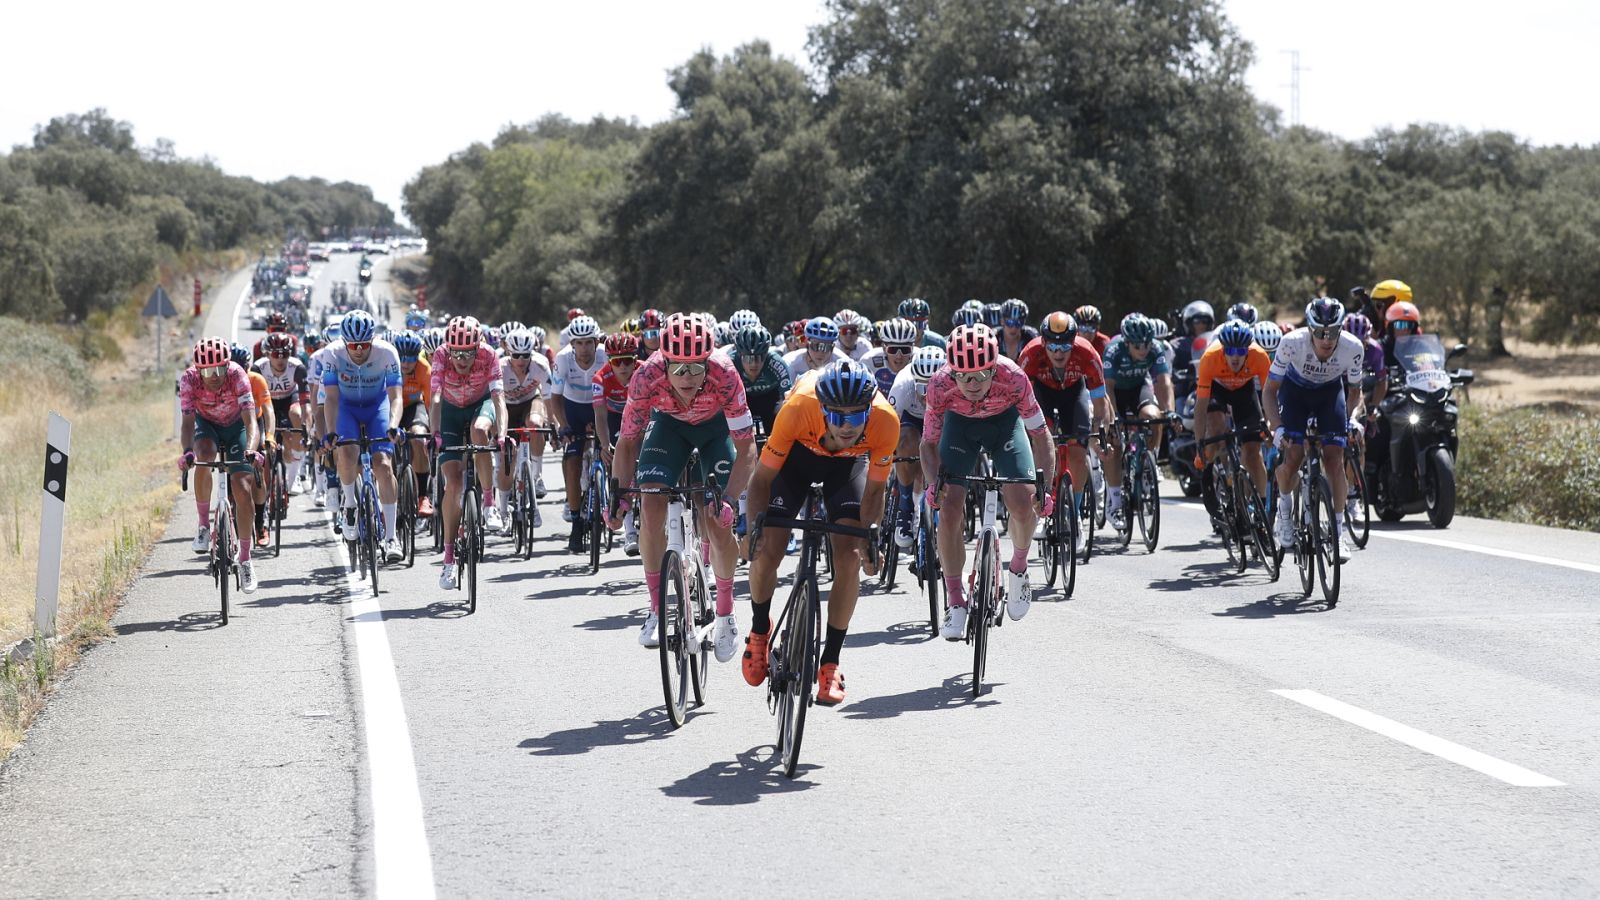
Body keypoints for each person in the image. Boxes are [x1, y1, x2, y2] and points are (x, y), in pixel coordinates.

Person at [743, 360, 897, 705]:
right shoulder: (799, 408)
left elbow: (874, 493)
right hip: (796, 459)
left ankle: (830, 662)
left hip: (847, 468)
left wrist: (870, 538)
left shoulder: (886, 421)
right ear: (823, 408)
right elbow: (762, 480)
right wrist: (755, 529)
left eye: (856, 417)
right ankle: (758, 631)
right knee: (768, 548)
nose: (846, 426)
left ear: (868, 412)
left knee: (849, 558)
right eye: (838, 416)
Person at [611, 314, 756, 662]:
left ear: (708, 361)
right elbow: (628, 442)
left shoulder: (724, 372)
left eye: (696, 368)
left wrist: (731, 501)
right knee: (650, 506)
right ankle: (656, 609)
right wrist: (619, 497)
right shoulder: (646, 375)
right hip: (669, 428)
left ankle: (725, 613)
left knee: (717, 521)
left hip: (714, 430)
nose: (688, 377)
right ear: (665, 363)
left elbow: (748, 446)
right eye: (679, 369)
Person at [921, 324, 1055, 640]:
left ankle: (1019, 568)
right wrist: (932, 485)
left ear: (994, 367)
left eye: (982, 375)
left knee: (1024, 504)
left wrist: (1045, 487)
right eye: (963, 376)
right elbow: (927, 444)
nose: (972, 384)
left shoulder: (1014, 378)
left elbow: (1040, 436)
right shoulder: (940, 384)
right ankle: (955, 599)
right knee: (950, 511)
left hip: (1005, 426)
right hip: (960, 429)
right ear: (951, 371)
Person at [1262, 299, 1365, 562]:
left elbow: (1354, 392)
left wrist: (1352, 419)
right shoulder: (1291, 343)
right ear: (1310, 328)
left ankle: (1337, 533)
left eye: (1333, 332)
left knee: (1334, 460)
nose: (1327, 339)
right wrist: (1277, 428)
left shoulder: (1353, 347)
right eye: (1320, 332)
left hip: (1329, 395)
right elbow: (1270, 390)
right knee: (1293, 456)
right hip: (1294, 394)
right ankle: (1284, 511)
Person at [429, 316, 509, 589]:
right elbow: (436, 397)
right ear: (448, 348)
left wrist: (501, 434)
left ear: (479, 347)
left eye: (468, 353)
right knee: (452, 482)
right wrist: (435, 434)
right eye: (457, 353)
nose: (462, 359)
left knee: (479, 432)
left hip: (480, 404)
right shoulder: (440, 355)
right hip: (450, 410)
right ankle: (448, 558)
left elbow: (499, 399)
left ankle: (489, 505)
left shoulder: (489, 355)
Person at [1019, 312, 1108, 553]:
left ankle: (1074, 513)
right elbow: (1018, 399)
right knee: (1042, 442)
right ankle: (1044, 503)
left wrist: (1102, 431)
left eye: (1065, 345)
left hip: (1074, 393)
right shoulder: (1030, 354)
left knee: (1079, 453)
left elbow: (1100, 404)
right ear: (1044, 343)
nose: (1059, 352)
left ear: (1074, 341)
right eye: (1053, 346)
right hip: (1042, 394)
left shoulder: (1088, 354)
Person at [320, 310, 405, 563]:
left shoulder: (387, 352)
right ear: (344, 341)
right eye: (353, 345)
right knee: (345, 452)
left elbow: (396, 396)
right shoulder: (332, 353)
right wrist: (331, 431)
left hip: (376, 407)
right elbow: (332, 398)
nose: (358, 350)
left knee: (383, 464)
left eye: (364, 344)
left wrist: (393, 425)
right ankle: (349, 504)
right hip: (347, 408)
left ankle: (391, 536)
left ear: (373, 340)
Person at [179, 338, 262, 593]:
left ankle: (246, 559)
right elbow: (187, 424)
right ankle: (204, 525)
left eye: (218, 370)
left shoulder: (237, 375)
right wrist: (186, 452)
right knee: (203, 454)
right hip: (207, 427)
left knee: (243, 487)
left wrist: (251, 449)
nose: (213, 376)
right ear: (198, 370)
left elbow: (251, 423)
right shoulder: (189, 380)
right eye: (207, 371)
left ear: (227, 365)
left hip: (236, 426)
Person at [1100, 313, 1175, 526]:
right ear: (1127, 342)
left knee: (1155, 417)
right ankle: (1114, 503)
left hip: (1139, 388)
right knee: (1114, 442)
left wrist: (1170, 411)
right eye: (1137, 345)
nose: (1143, 349)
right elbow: (1108, 389)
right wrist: (1113, 419)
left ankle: (1149, 463)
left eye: (1146, 344)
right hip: (1115, 394)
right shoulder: (1113, 350)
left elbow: (1164, 382)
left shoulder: (1156, 348)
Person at [1192, 320, 1272, 519]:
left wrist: (1271, 425)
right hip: (1216, 391)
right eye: (1230, 351)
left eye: (1241, 351)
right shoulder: (1210, 358)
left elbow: (1269, 396)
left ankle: (1262, 509)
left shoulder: (1260, 357)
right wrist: (1199, 443)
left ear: (1248, 350)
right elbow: (1201, 407)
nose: (1235, 357)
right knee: (1217, 435)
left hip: (1244, 391)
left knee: (1253, 452)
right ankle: (1209, 474)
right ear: (1223, 349)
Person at [549, 315, 609, 552]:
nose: (584, 348)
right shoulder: (563, 359)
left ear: (596, 342)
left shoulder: (605, 355)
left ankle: (613, 502)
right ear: (572, 344)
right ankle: (575, 522)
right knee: (572, 462)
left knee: (611, 452)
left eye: (588, 342)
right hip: (573, 408)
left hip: (600, 407)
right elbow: (554, 397)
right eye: (579, 343)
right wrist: (563, 426)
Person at [885, 345, 946, 546]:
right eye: (922, 388)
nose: (927, 395)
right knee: (905, 441)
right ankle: (905, 506)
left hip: (942, 418)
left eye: (934, 388)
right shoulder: (903, 384)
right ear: (914, 382)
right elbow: (889, 426)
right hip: (912, 420)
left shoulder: (955, 382)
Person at [494, 328, 552, 533]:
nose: (520, 360)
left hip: (530, 402)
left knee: (536, 425)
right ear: (508, 352)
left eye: (525, 355)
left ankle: (534, 479)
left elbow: (548, 397)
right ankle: (502, 509)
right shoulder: (499, 368)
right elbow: (495, 401)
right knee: (505, 459)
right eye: (516, 355)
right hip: (506, 406)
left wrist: (552, 424)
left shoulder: (540, 365)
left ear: (532, 353)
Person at [592, 331, 642, 554]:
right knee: (620, 466)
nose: (623, 367)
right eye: (617, 362)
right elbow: (600, 417)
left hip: (642, 418)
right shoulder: (599, 379)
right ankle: (629, 529)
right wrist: (604, 445)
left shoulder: (645, 371)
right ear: (609, 361)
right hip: (615, 420)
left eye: (628, 360)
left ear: (636, 359)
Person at [253, 333, 310, 498]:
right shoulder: (258, 368)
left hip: (288, 400)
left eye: (284, 355)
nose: (280, 360)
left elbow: (305, 403)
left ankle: (296, 471)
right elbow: (253, 404)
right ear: (267, 354)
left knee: (296, 415)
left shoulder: (297, 367)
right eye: (275, 355)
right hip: (267, 402)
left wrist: (305, 430)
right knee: (265, 441)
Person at [391, 331, 434, 518]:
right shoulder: (388, 365)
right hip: (391, 406)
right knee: (385, 444)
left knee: (418, 437)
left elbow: (431, 403)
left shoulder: (425, 369)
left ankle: (423, 496)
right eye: (402, 358)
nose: (406, 363)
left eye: (411, 358)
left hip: (414, 408)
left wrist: (434, 430)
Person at [730, 325, 792, 434]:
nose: (753, 364)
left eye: (759, 357)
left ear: (767, 354)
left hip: (770, 401)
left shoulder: (777, 363)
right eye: (748, 358)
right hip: (742, 400)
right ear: (739, 355)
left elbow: (787, 398)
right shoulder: (730, 363)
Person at [860, 317, 918, 394]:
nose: (899, 356)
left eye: (905, 350)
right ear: (884, 348)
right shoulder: (868, 361)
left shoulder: (920, 360)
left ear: (912, 349)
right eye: (893, 350)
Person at [784, 316, 848, 381]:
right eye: (815, 346)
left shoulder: (843, 363)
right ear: (807, 344)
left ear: (833, 347)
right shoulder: (790, 363)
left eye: (826, 347)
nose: (820, 352)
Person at [1382, 301, 1422, 370]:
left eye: (1410, 325)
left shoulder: (1419, 347)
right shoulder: (1380, 348)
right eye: (1400, 325)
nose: (1405, 330)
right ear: (1390, 327)